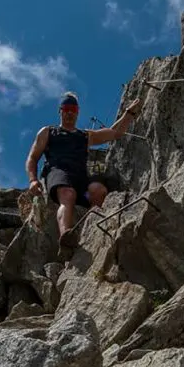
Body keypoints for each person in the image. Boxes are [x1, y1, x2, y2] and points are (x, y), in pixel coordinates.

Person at [24, 91, 142, 255]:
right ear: (60, 111)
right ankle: (66, 236)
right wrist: (32, 180)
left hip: (81, 182)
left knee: (97, 191)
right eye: (66, 109)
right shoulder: (48, 132)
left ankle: (91, 231)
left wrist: (129, 113)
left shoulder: (85, 136)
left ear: (78, 112)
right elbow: (33, 157)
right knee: (67, 193)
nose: (70, 113)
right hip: (57, 172)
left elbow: (115, 133)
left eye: (73, 109)